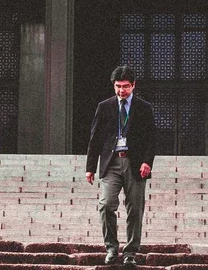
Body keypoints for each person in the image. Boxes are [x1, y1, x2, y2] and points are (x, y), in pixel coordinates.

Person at [85, 64, 157, 266]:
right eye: (118, 86)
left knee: (135, 210)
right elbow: (95, 138)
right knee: (106, 204)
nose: (121, 90)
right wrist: (90, 167)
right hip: (111, 163)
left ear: (133, 85)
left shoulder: (144, 108)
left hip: (135, 164)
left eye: (125, 86)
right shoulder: (104, 106)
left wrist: (147, 161)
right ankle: (111, 247)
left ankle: (130, 253)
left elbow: (151, 138)